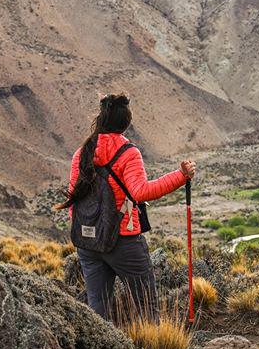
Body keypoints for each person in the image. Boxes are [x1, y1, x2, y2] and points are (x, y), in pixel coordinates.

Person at [58, 94, 196, 321]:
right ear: (125, 123)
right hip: (123, 240)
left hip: (87, 241)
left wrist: (89, 228)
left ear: (101, 119)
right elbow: (140, 192)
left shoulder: (81, 153)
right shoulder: (128, 153)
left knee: (97, 309)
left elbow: (75, 199)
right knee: (146, 305)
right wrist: (180, 176)